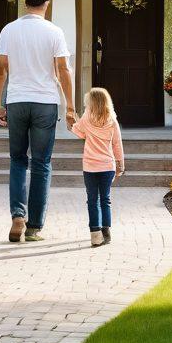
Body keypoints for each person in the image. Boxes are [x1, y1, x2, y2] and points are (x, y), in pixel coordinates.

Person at [0, 0, 76, 243]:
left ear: (25, 4)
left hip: (17, 102)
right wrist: (70, 107)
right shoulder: (54, 31)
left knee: (18, 159)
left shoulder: (9, 29)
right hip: (45, 103)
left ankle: (18, 215)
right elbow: (63, 69)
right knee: (41, 163)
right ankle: (34, 227)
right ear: (46, 4)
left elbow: (0, 69)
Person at [70, 87, 124, 247]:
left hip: (90, 166)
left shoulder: (86, 119)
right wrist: (120, 164)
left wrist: (73, 121)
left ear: (91, 103)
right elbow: (117, 144)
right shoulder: (112, 121)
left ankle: (95, 234)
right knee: (105, 199)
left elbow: (78, 132)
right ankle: (106, 232)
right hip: (108, 165)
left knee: (92, 200)